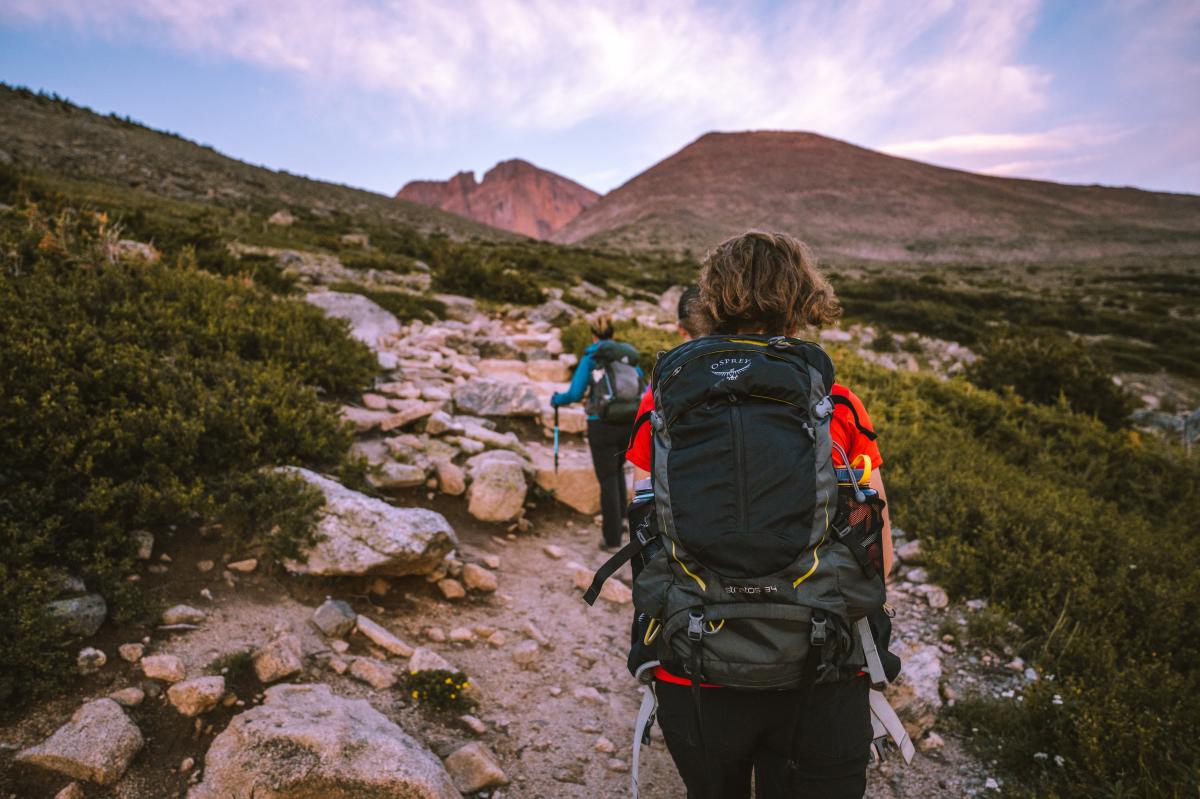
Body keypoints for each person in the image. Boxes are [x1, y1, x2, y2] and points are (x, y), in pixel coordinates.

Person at [624, 231, 894, 799]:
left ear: (711, 298)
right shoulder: (838, 407)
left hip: (693, 660)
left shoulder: (663, 406)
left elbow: (647, 531)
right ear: (801, 299)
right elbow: (880, 554)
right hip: (819, 667)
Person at [551, 314, 644, 550]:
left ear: (593, 335)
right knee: (618, 471)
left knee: (608, 479)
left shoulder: (592, 356)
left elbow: (575, 393)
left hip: (601, 424)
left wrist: (556, 400)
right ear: (613, 334)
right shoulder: (627, 356)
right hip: (630, 422)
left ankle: (612, 540)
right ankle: (623, 521)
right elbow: (642, 385)